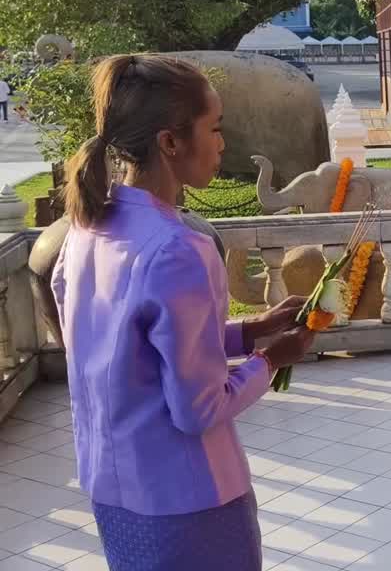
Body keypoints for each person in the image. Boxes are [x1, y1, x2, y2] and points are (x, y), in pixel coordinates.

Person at [50, 54, 316, 571]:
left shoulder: (86, 229)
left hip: (111, 486)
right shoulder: (178, 248)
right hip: (191, 501)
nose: (221, 143)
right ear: (171, 142)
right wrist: (272, 359)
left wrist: (249, 331)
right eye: (213, 128)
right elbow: (198, 410)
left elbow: (134, 354)